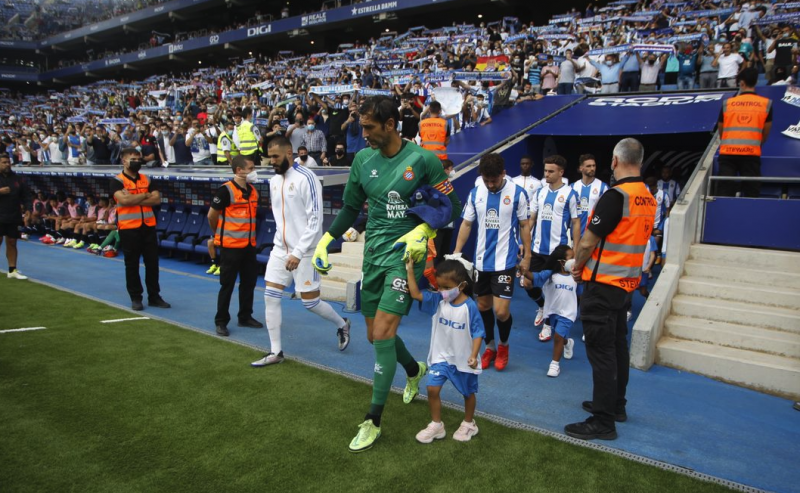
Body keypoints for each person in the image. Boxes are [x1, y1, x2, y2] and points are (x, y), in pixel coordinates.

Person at [311, 96, 461, 453]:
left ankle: (373, 421)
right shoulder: (363, 160)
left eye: (369, 127)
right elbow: (350, 207)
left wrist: (423, 230)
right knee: (375, 335)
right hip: (373, 256)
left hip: (405, 259)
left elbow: (452, 206)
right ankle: (413, 370)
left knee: (382, 334)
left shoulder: (424, 160)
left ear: (391, 124)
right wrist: (327, 240)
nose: (362, 134)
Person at [566, 138, 656, 441]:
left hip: (603, 285)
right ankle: (616, 406)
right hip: (625, 285)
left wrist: (577, 266)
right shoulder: (647, 197)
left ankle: (603, 421)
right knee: (617, 348)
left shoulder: (616, 195)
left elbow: (588, 241)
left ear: (615, 161)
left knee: (602, 353)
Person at [251, 137, 351, 365]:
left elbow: (315, 220)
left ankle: (342, 324)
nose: (271, 161)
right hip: (280, 249)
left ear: (289, 153)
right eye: (269, 157)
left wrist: (297, 252)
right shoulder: (274, 181)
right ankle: (276, 352)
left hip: (304, 252)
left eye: (275, 157)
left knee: (310, 303)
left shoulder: (308, 178)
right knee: (270, 297)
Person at [453, 153, 531, 371]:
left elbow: (524, 225)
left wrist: (527, 256)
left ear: (503, 174)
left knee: (501, 312)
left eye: (494, 180)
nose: (490, 184)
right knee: (483, 306)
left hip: (505, 262)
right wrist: (457, 252)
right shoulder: (476, 193)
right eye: (486, 180)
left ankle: (504, 346)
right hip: (481, 263)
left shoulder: (518, 193)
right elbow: (466, 224)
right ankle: (490, 347)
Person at [406, 257, 484, 444]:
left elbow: (478, 332)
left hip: (463, 360)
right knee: (432, 388)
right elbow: (416, 294)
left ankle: (469, 423)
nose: (442, 291)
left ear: (461, 285)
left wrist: (473, 355)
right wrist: (409, 270)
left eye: (446, 287)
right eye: (439, 286)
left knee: (468, 393)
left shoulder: (470, 307)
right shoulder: (437, 301)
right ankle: (436, 425)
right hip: (441, 357)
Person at [207, 155, 263, 336]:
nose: (254, 172)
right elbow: (211, 216)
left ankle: (245, 316)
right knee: (227, 285)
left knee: (249, 283)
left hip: (249, 246)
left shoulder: (253, 191)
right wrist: (219, 234)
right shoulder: (225, 191)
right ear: (239, 170)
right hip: (230, 246)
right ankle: (221, 321)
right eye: (251, 168)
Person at [526, 155, 581, 342]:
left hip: (558, 252)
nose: (546, 174)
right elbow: (532, 219)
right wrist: (524, 242)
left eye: (551, 171)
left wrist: (576, 248)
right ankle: (542, 306)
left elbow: (576, 223)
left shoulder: (570, 194)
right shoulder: (539, 193)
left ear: (561, 172)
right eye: (545, 171)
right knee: (527, 283)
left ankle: (548, 324)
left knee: (553, 289)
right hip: (537, 249)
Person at [110, 147, 171, 311]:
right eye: (133, 159)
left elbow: (156, 200)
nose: (137, 162)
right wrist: (145, 195)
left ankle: (154, 296)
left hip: (148, 227)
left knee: (153, 264)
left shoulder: (147, 179)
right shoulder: (117, 181)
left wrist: (133, 197)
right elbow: (124, 201)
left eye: (138, 159)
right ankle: (136, 297)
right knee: (132, 265)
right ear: (124, 161)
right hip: (129, 228)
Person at [521, 244, 577, 378]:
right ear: (562, 262)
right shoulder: (550, 275)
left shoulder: (576, 276)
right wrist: (524, 271)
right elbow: (534, 277)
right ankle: (568, 343)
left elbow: (581, 293)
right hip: (552, 312)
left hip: (568, 313)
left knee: (557, 337)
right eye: (571, 258)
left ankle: (554, 365)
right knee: (560, 337)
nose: (574, 260)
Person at [716, 68, 772, 198]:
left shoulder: (728, 103)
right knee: (751, 192)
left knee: (724, 191)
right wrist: (755, 144)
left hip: (728, 153)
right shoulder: (766, 104)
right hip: (751, 153)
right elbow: (765, 132)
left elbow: (721, 129)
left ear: (741, 83)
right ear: (756, 82)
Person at [0, 154, 32, 279]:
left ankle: (12, 270)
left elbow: (26, 195)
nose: (7, 164)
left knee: (12, 242)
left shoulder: (18, 179)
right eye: (4, 162)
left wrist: (28, 209)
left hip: (14, 215)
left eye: (8, 162)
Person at [571, 154, 608, 234]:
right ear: (581, 168)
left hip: (593, 234)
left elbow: (606, 212)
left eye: (594, 166)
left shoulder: (603, 187)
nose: (592, 168)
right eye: (588, 166)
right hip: (575, 234)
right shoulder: (572, 187)